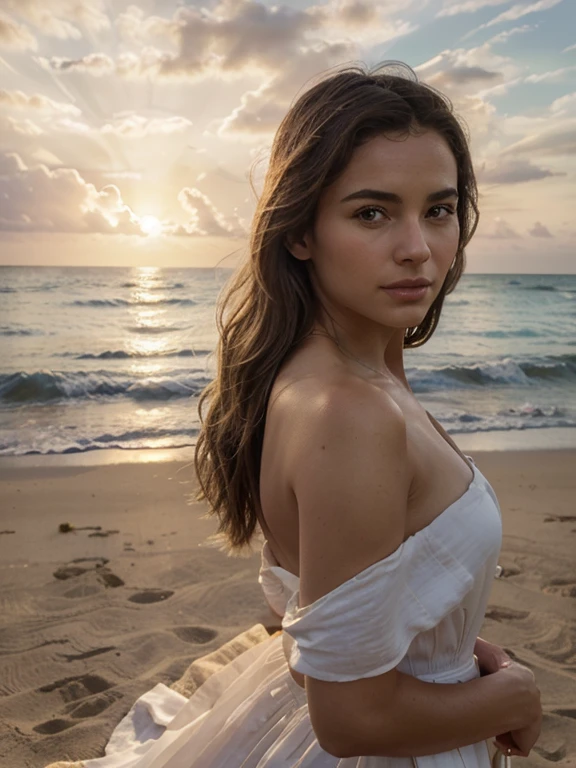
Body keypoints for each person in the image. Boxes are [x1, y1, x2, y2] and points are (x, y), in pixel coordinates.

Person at [58, 61, 542, 768]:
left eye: (437, 209)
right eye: (371, 213)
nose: (418, 248)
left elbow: (320, 603)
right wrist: (516, 697)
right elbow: (352, 720)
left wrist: (456, 646)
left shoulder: (338, 371)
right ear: (300, 231)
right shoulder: (348, 415)